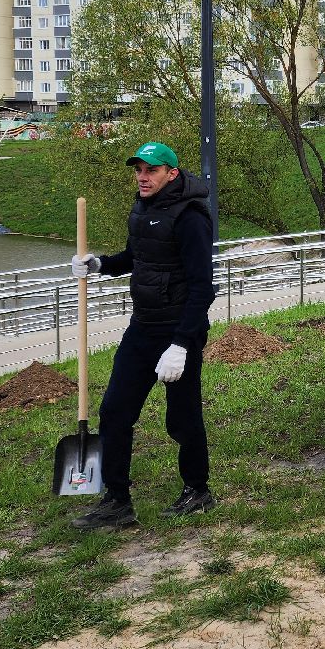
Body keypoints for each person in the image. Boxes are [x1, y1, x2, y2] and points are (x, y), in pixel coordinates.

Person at [69, 141, 218, 529]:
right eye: (138, 170)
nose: (142, 177)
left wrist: (182, 345)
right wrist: (99, 264)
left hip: (178, 330)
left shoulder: (191, 217)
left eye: (150, 170)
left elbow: (204, 287)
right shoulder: (142, 209)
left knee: (182, 418)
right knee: (115, 411)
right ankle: (118, 501)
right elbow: (135, 258)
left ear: (171, 173)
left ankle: (198, 490)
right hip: (143, 326)